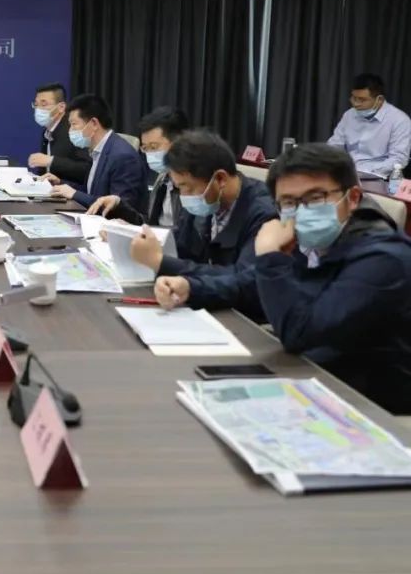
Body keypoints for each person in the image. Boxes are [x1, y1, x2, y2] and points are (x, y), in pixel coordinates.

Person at [155, 144, 411, 414]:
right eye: (289, 202)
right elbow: (249, 282)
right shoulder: (314, 238)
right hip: (320, 378)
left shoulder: (382, 259)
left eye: (315, 198)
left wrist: (270, 257)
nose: (302, 211)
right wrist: (191, 287)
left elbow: (301, 332)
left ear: (353, 198)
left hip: (377, 407)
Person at [128, 130, 276, 292]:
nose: (184, 197)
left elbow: (244, 280)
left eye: (187, 188)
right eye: (179, 188)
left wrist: (162, 263)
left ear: (220, 179)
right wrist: (136, 236)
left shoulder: (265, 214)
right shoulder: (208, 199)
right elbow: (181, 243)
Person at [42, 94, 147, 212]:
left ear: (94, 123)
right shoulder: (98, 150)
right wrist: (60, 183)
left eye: (74, 124)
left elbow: (119, 208)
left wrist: (74, 194)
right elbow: (90, 191)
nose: (70, 130)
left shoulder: (123, 157)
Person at [87, 106, 189, 226]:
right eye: (145, 148)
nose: (150, 154)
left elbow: (187, 234)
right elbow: (150, 223)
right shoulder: (163, 178)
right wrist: (119, 206)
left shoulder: (192, 183)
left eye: (154, 147)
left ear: (178, 142)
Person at [327, 73, 411, 176]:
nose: (355, 104)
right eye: (354, 98)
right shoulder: (349, 114)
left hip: (378, 176)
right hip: (347, 172)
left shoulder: (399, 120)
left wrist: (365, 172)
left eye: (362, 100)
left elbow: (398, 159)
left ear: (379, 100)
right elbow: (335, 145)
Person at [26, 83, 91, 185]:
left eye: (44, 105)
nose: (38, 109)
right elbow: (45, 170)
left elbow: (87, 169)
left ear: (61, 107)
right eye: (36, 104)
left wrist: (52, 161)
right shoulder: (47, 131)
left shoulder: (74, 130)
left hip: (74, 191)